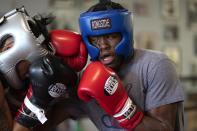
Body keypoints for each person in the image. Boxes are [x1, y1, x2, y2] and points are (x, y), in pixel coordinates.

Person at [77, 1, 184, 131]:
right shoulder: (84, 79)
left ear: (126, 33)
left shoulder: (155, 65)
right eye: (95, 39)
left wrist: (121, 107)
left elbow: (165, 128)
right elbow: (46, 122)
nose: (103, 45)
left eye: (111, 36)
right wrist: (47, 81)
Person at [0, 7, 87, 131]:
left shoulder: (21, 86)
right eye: (35, 59)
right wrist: (33, 106)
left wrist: (72, 89)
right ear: (9, 49)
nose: (39, 68)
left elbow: (46, 125)